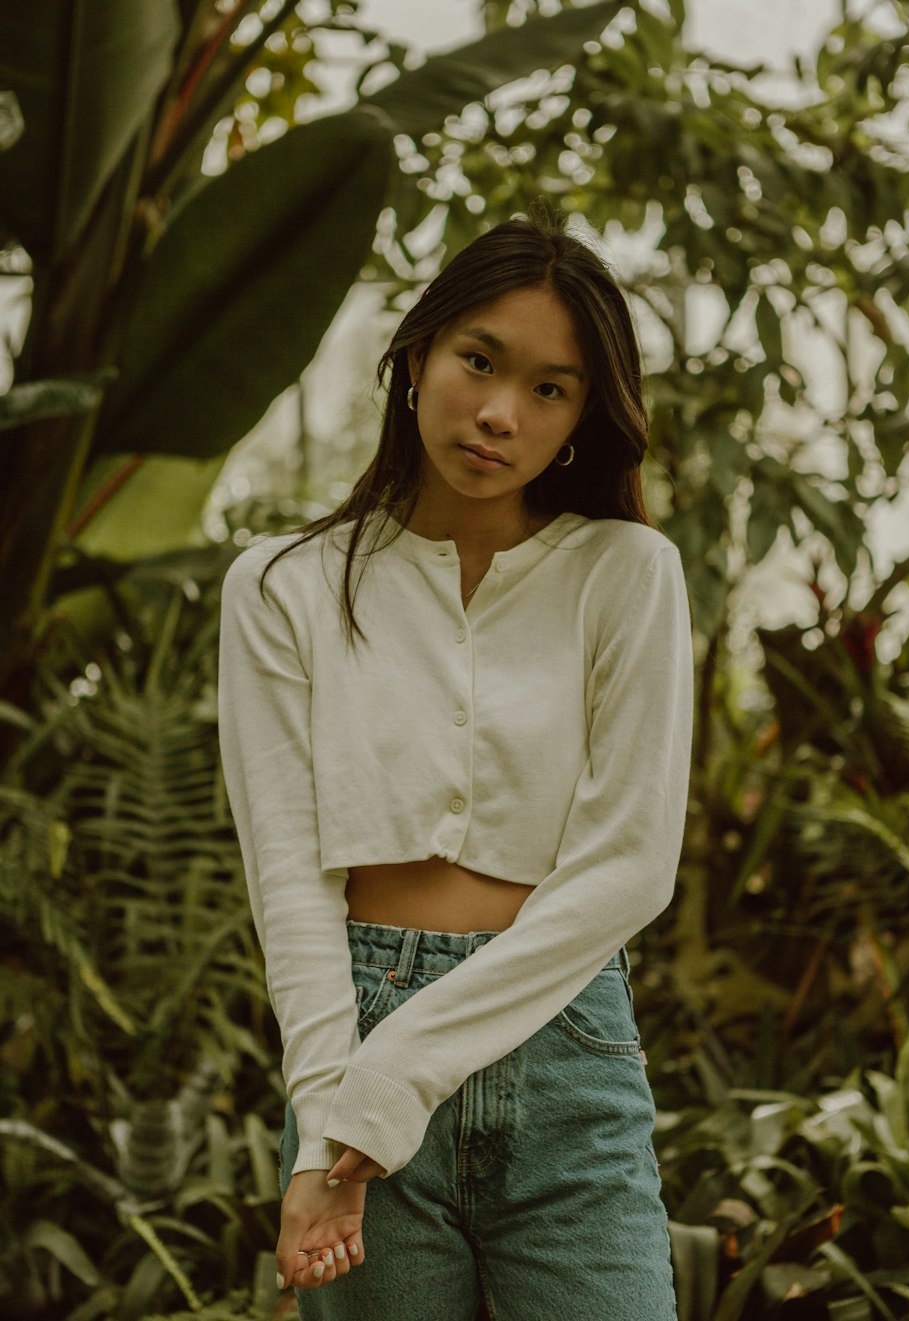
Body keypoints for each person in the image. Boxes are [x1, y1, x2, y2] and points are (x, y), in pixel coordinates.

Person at [218, 210, 693, 1320]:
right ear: (416, 353)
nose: (497, 413)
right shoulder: (282, 585)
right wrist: (331, 1111)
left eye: (549, 388)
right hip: (352, 1022)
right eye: (479, 360)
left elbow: (628, 868)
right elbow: (290, 879)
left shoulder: (626, 573)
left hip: (562, 1033)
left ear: (583, 416)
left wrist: (390, 1084)